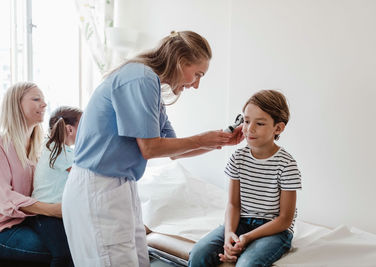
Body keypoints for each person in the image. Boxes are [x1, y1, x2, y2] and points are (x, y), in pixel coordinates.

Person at [62, 30, 243, 267]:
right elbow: (149, 148)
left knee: (136, 260)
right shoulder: (141, 77)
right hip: (98, 186)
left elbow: (173, 151)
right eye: (197, 74)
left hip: (120, 187)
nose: (196, 85)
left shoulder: (151, 88)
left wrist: (219, 141)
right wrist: (201, 139)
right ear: (180, 62)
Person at [188, 90, 302, 267]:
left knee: (246, 264)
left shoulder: (286, 165)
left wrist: (247, 238)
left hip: (274, 230)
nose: (250, 129)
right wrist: (229, 235)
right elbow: (233, 204)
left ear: (278, 128)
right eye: (247, 121)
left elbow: (285, 219)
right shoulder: (238, 158)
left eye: (260, 123)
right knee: (198, 254)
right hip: (241, 223)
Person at [0, 82, 61, 265]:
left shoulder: (41, 147)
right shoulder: (2, 146)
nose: (44, 104)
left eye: (44, 100)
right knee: (59, 250)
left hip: (32, 220)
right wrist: (52, 210)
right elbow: (4, 197)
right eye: (36, 99)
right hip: (6, 227)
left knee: (76, 241)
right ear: (16, 105)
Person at [31, 106, 82, 267]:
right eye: (84, 126)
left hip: (52, 212)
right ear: (69, 129)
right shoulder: (61, 152)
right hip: (46, 215)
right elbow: (84, 175)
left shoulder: (51, 147)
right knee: (63, 254)